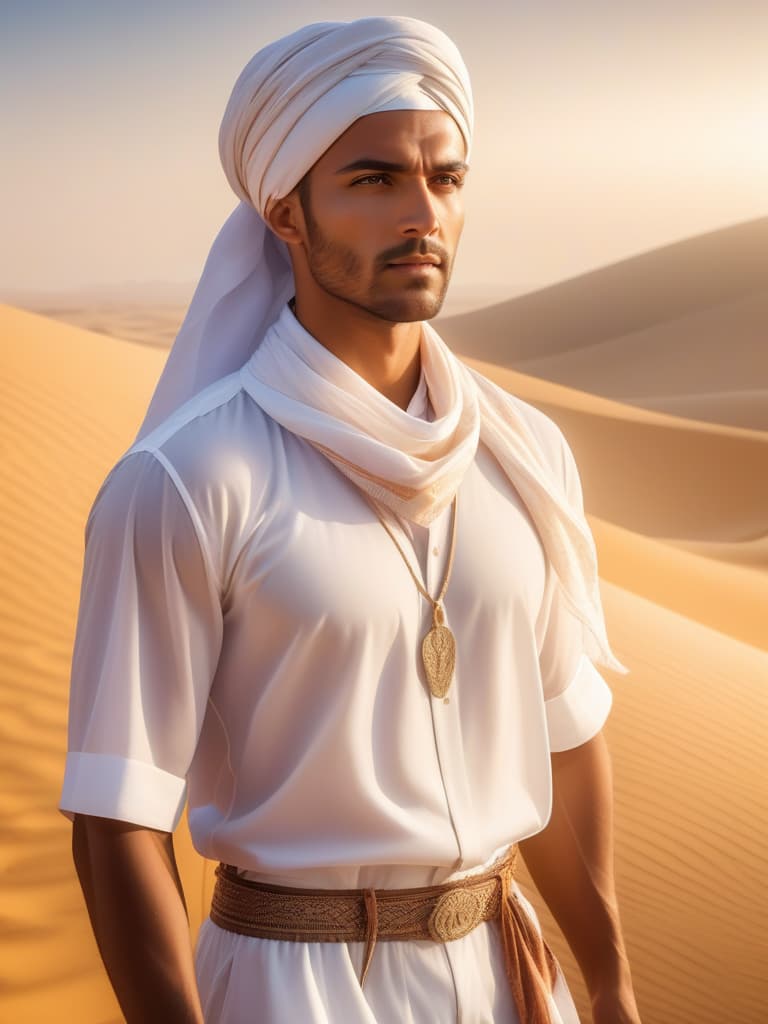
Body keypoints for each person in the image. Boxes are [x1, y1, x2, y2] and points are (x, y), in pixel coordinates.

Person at [59, 16, 642, 1024]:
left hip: (514, 978)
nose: (424, 213)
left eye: (447, 178)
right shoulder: (189, 477)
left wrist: (612, 980)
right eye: (373, 181)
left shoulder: (527, 454)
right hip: (292, 985)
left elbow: (565, 731)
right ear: (285, 213)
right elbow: (115, 814)